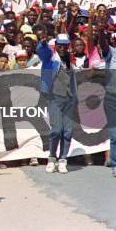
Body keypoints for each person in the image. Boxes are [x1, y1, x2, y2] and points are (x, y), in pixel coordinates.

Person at [37, 32, 77, 174]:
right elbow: (43, 52)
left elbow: (72, 81)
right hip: (54, 98)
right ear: (56, 46)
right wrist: (42, 43)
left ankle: (63, 160)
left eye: (65, 46)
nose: (62, 48)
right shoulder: (50, 58)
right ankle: (52, 158)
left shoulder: (70, 61)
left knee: (68, 131)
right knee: (56, 130)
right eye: (60, 45)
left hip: (69, 99)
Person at [97, 21, 116, 178]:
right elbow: (103, 44)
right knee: (115, 134)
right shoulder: (111, 52)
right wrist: (100, 32)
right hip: (112, 98)